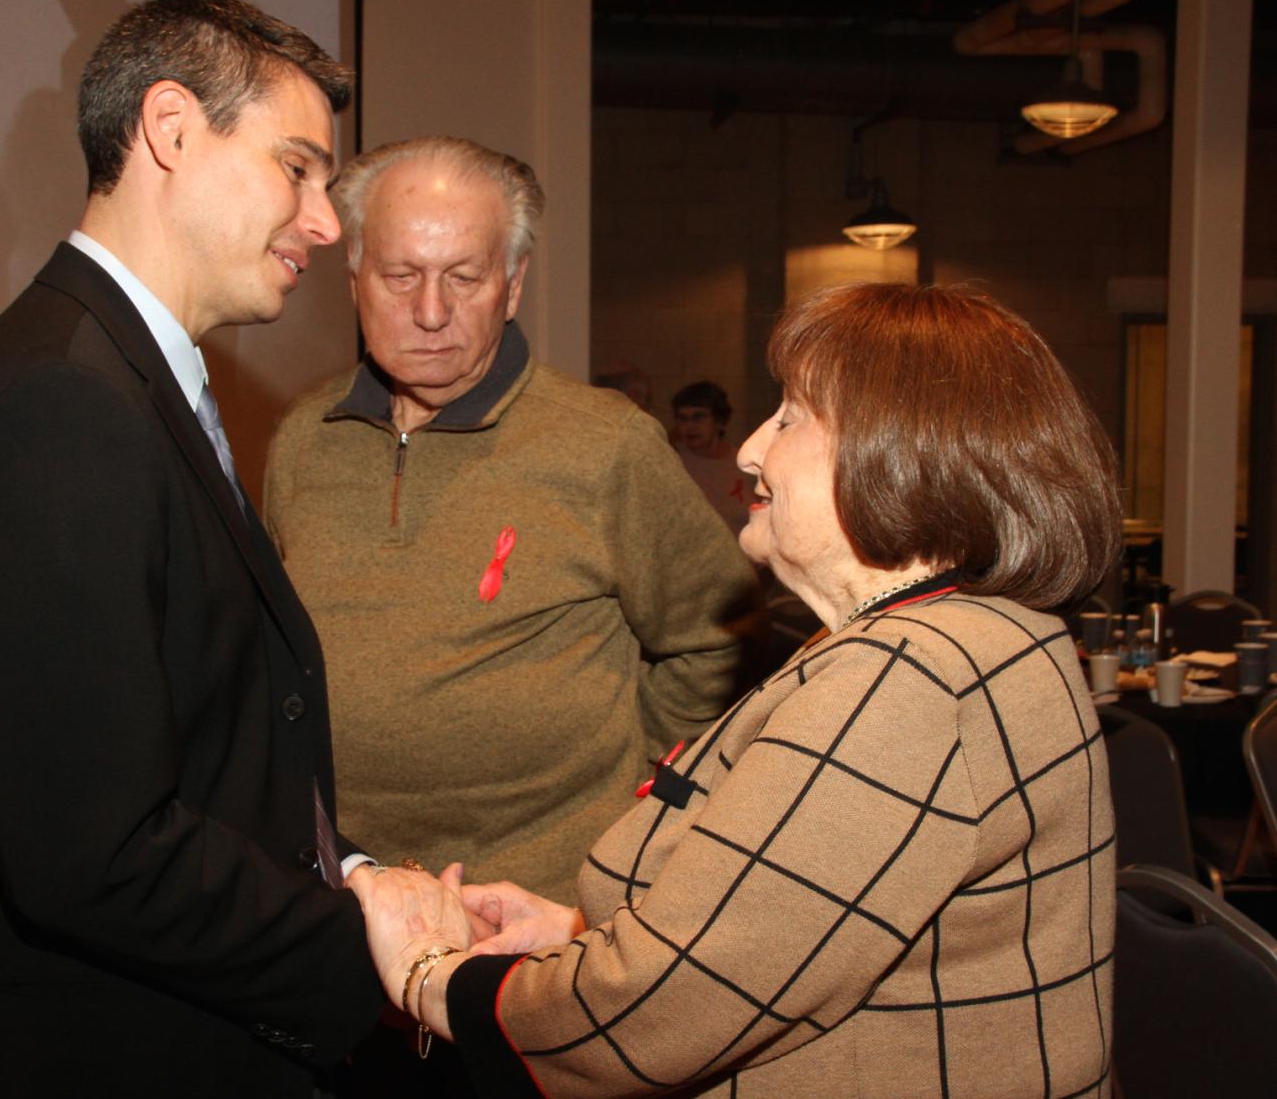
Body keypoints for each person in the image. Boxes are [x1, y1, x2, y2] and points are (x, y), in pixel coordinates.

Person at [351, 282, 1122, 1098]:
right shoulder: (978, 632)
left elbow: (658, 1008)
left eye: (790, 417)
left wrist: (429, 976)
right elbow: (794, 918)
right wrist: (578, 933)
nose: (751, 448)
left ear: (899, 452)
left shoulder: (907, 679)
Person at [0, 0, 387, 1099]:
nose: (326, 223)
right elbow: (94, 852)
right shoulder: (58, 406)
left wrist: (353, 881)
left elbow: (204, 752)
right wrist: (375, 961)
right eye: (297, 169)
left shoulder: (123, 379)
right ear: (169, 129)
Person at [262, 135, 757, 908]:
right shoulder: (301, 440)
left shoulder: (605, 443)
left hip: (549, 920)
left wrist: (640, 781)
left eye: (465, 276)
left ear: (514, 283)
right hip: (349, 905)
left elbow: (726, 639)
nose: (431, 312)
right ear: (354, 273)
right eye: (400, 276)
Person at [671, 379, 752, 535]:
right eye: (683, 419)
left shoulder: (745, 463)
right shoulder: (672, 461)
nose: (690, 426)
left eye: (698, 417)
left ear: (719, 422)